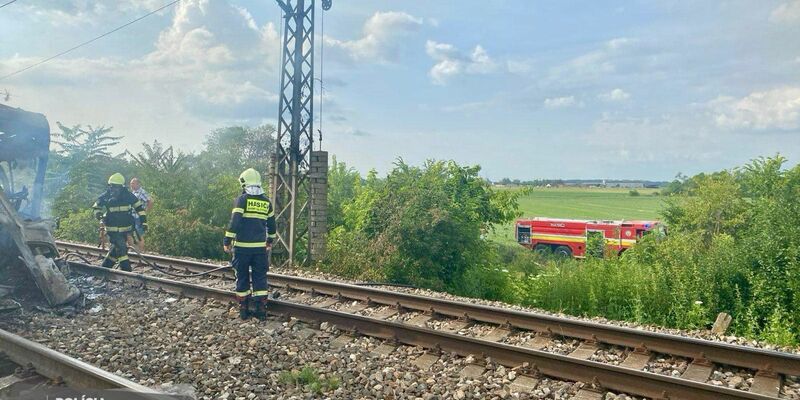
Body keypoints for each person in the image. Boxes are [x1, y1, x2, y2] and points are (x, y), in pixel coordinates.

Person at [223, 168, 276, 320]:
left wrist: (227, 240)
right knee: (260, 278)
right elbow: (272, 226)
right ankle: (261, 311)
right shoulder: (266, 202)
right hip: (260, 249)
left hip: (242, 249)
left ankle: (244, 310)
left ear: (244, 183)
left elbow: (235, 223)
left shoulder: (242, 200)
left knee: (242, 277)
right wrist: (269, 241)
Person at [92, 173, 147, 272]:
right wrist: (99, 215)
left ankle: (103, 270)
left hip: (126, 230)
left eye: (116, 187)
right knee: (121, 249)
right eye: (112, 186)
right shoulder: (106, 195)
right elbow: (96, 207)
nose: (114, 189)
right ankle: (127, 273)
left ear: (122, 187)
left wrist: (144, 222)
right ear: (109, 186)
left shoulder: (128, 195)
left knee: (115, 252)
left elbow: (139, 208)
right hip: (112, 230)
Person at [129, 177, 153, 250]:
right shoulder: (133, 193)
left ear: (138, 184)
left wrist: (146, 212)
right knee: (130, 234)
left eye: (133, 183)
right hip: (132, 216)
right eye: (131, 184)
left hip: (139, 217)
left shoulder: (142, 192)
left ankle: (141, 251)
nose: (131, 185)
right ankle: (134, 250)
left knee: (139, 234)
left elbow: (150, 201)